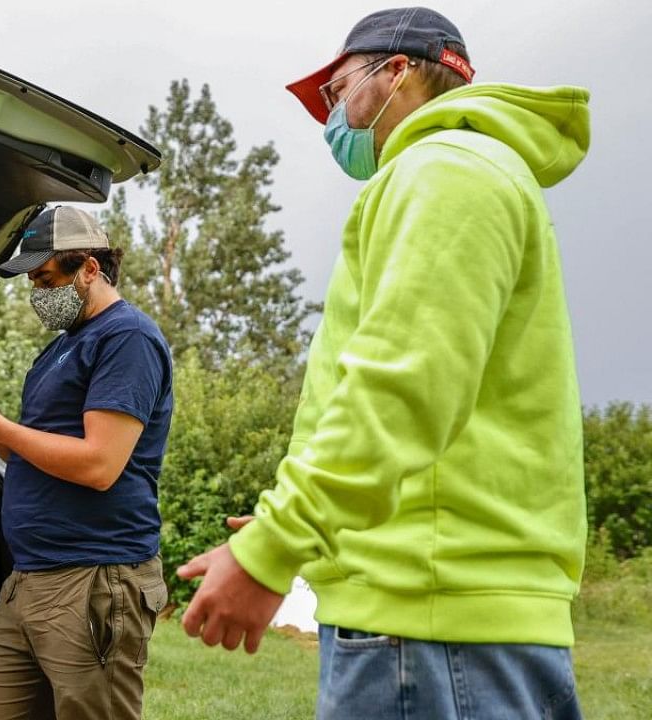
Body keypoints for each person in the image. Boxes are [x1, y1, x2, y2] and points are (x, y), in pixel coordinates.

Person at [175, 7, 590, 718]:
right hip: (448, 611)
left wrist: (278, 545)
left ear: (396, 72)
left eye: (335, 92)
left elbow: (402, 388)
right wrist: (318, 519)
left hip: (425, 621)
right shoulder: (471, 171)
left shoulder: (445, 171)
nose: (330, 117)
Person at [0, 206, 174, 720]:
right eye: (33, 282)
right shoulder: (60, 350)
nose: (37, 294)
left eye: (45, 278)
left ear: (89, 267)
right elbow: (27, 452)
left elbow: (100, 464)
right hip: (30, 579)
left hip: (94, 578)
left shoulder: (126, 338)